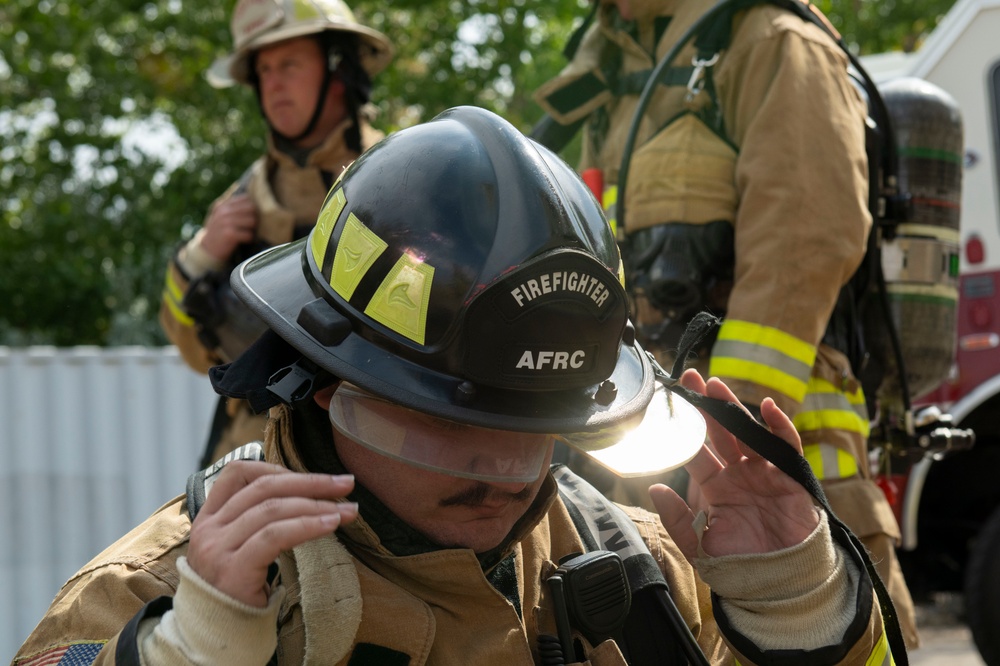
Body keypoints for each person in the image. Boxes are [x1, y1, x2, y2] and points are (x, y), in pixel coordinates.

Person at [15, 107, 899, 666]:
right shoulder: (155, 598)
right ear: (326, 384)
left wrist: (800, 617)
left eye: (540, 433)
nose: (508, 477)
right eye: (447, 427)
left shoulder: (648, 580)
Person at [532, 0, 920, 648]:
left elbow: (805, 237)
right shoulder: (608, 67)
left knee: (821, 637)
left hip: (778, 434)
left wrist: (727, 429)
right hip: (650, 425)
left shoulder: (771, 42)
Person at [159, 0, 393, 468]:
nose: (274, 83)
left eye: (289, 63)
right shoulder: (243, 199)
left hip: (380, 450)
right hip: (258, 455)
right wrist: (200, 259)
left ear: (338, 67)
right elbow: (189, 347)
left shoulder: (399, 175)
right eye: (263, 70)